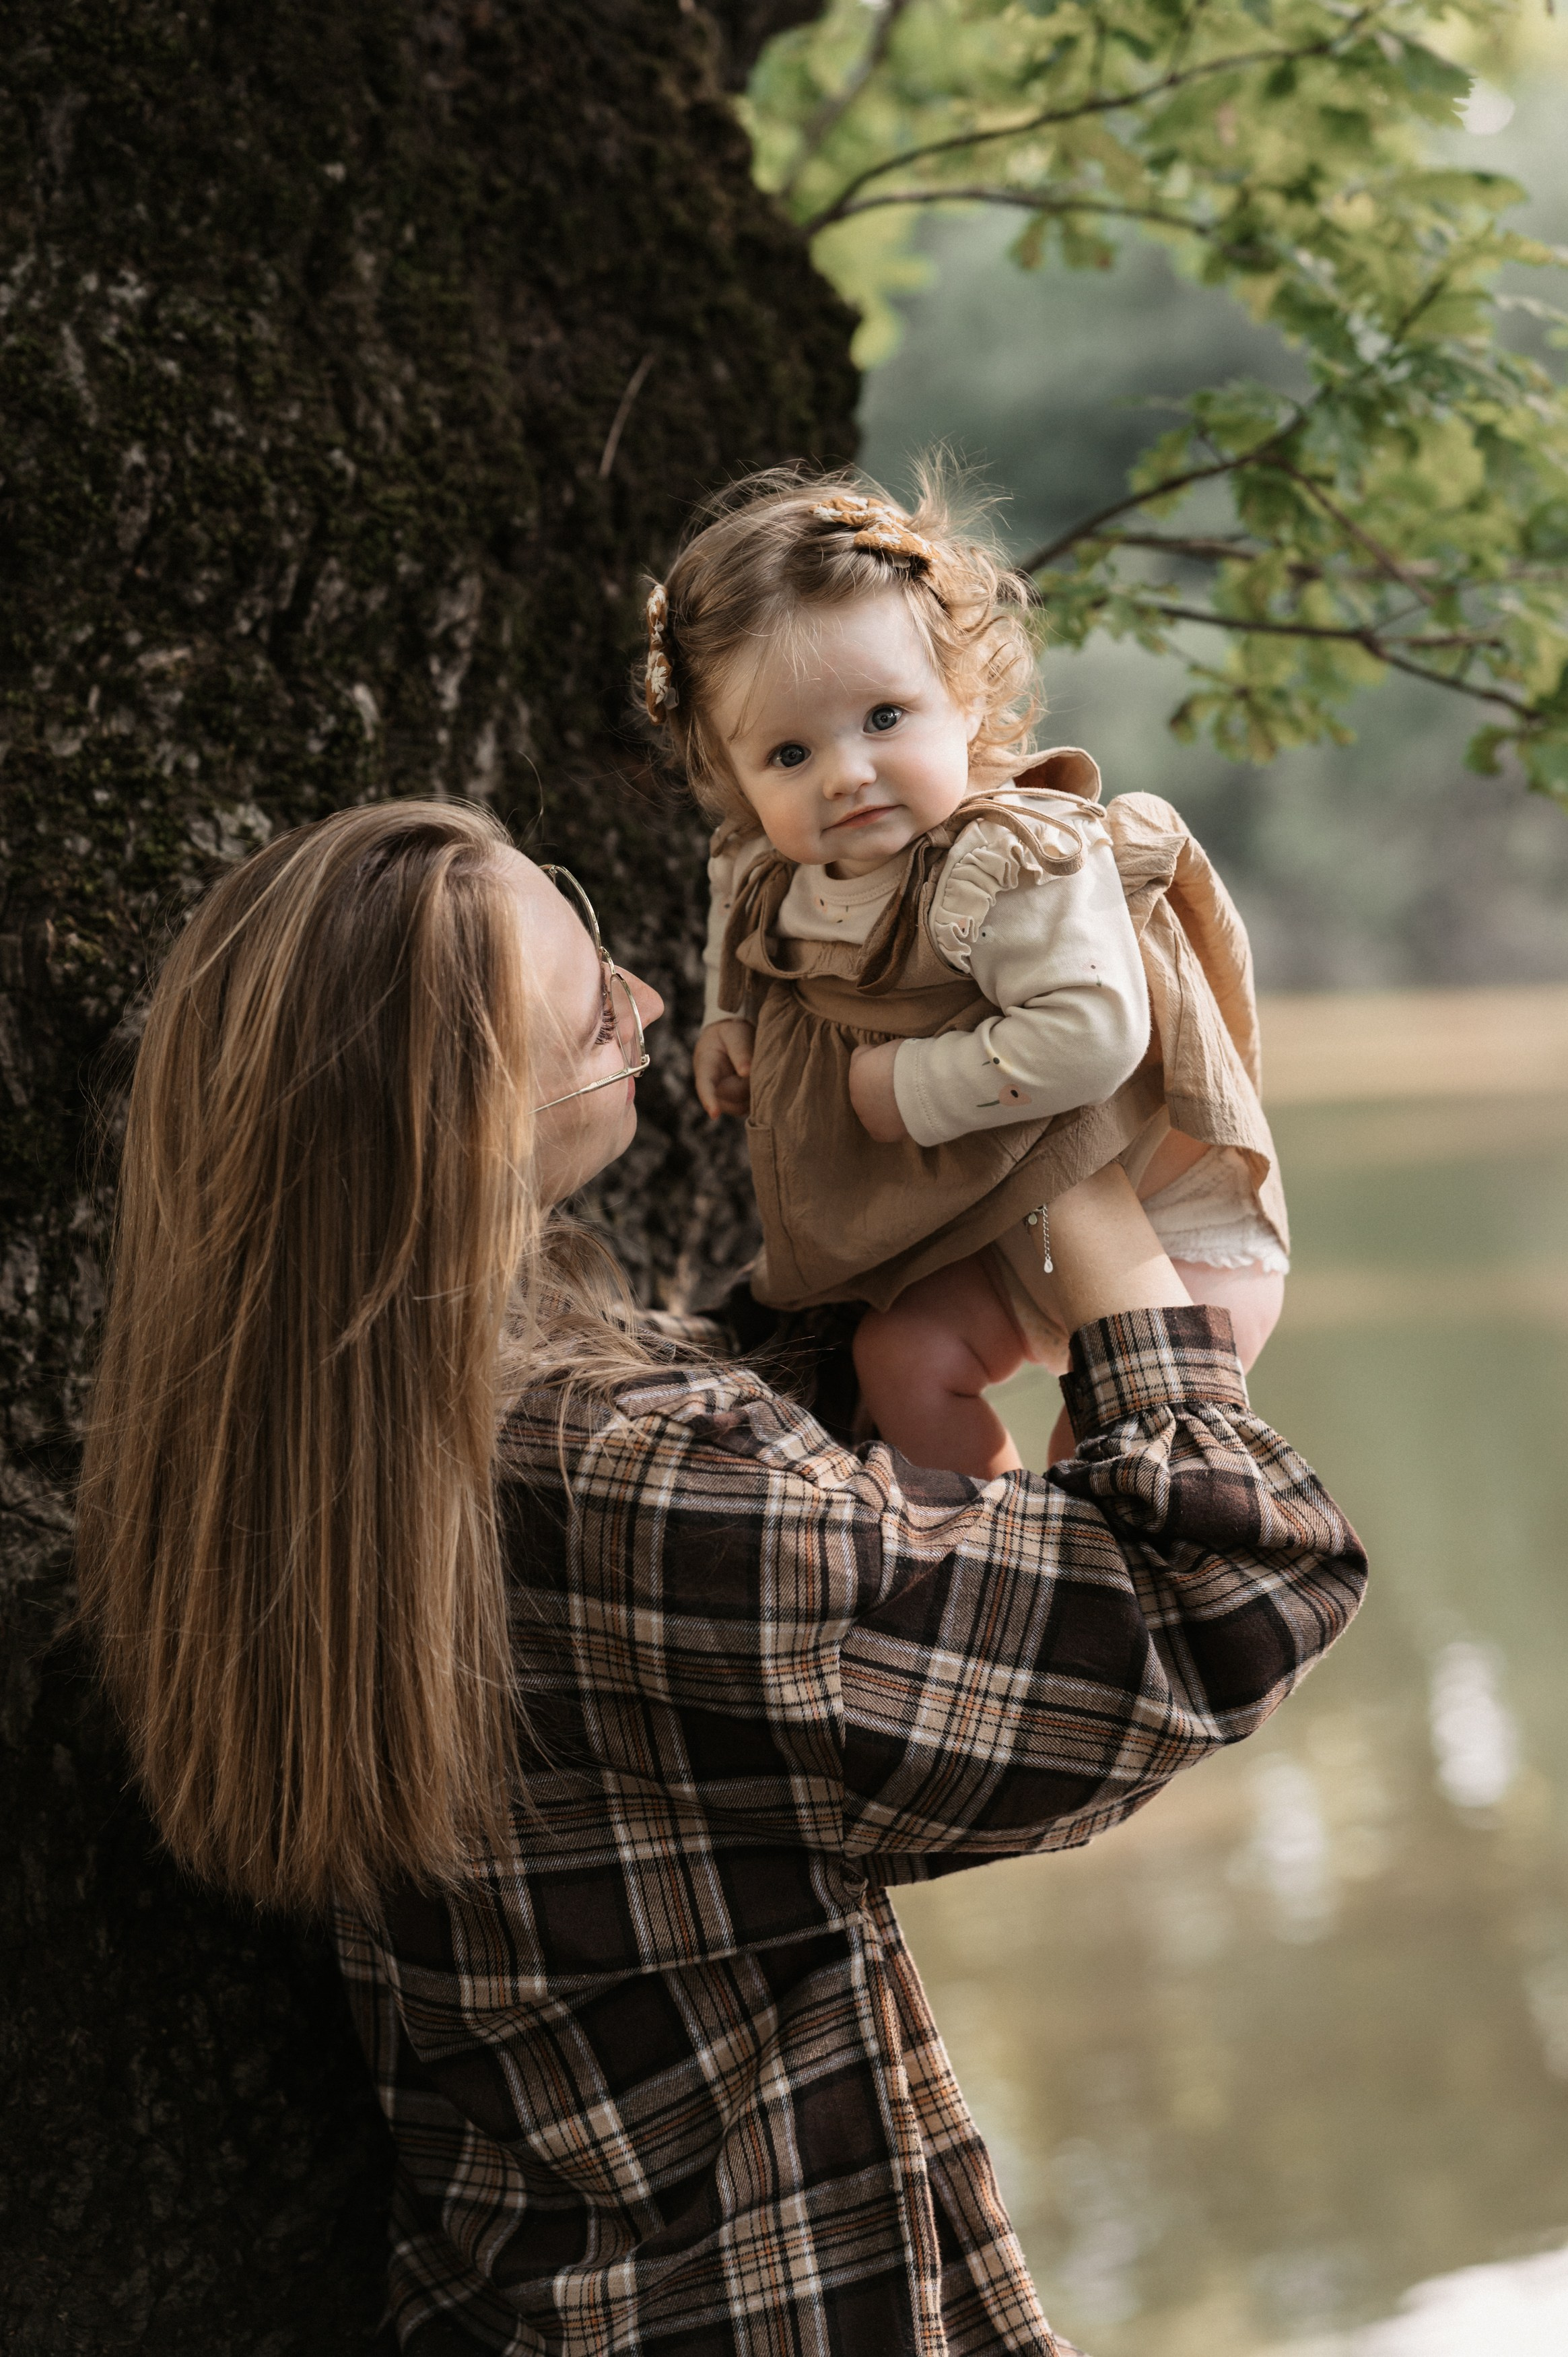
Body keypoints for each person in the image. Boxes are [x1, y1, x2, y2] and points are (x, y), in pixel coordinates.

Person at [77, 799, 1365, 2357]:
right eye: (591, 1014)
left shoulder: (256, 1444)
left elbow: (718, 1530)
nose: (644, 1002)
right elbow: (1225, 1587)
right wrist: (1072, 1170)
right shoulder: (608, 1475)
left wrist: (889, 1227)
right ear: (464, 1127)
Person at [650, 470, 1290, 1478]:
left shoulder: (1008, 865)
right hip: (987, 1225)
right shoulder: (771, 857)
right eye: (788, 753)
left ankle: (1084, 1545)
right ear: (731, 776)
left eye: (884, 717)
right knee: (898, 1361)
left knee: (1119, 1441)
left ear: (967, 695)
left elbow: (1095, 1031)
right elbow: (734, 906)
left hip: (1159, 1231)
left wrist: (910, 1085)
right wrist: (726, 1018)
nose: (845, 773)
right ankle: (983, 1533)